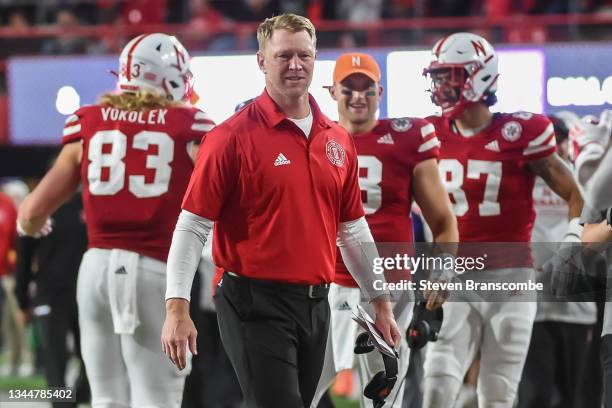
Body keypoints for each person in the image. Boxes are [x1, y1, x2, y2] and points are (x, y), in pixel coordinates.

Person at [161, 13, 401, 408]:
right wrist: (176, 307)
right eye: (283, 56)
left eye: (304, 56)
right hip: (253, 299)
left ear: (315, 58)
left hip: (315, 302)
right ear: (261, 61)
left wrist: (381, 302)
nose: (295, 65)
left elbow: (353, 230)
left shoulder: (337, 139)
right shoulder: (229, 138)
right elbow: (191, 226)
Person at [18, 33, 214, 408]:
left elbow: (30, 214)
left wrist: (32, 227)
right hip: (157, 272)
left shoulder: (89, 122)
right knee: (158, 399)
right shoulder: (191, 126)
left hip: (94, 271)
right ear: (172, 76)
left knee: (106, 398)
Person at [421, 32, 584, 407]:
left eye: (450, 75)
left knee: (497, 393)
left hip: (510, 280)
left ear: (479, 76)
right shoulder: (428, 133)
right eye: (438, 76)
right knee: (436, 386)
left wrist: (572, 243)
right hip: (455, 275)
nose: (441, 85)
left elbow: (574, 192)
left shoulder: (520, 132)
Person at [310, 52, 458, 408]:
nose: (358, 96)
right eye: (349, 87)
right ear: (332, 91)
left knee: (383, 400)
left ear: (380, 91)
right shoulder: (312, 138)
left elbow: (443, 221)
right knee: (301, 391)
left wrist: (442, 272)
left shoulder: (408, 138)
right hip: (327, 284)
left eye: (366, 88)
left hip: (390, 288)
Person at [517, 112, 596, 408]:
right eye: (548, 141)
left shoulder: (587, 181)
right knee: (533, 396)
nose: (555, 147)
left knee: (574, 396)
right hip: (532, 306)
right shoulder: (521, 178)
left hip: (575, 306)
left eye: (559, 140)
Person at [15, 191, 90, 408]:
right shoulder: (38, 207)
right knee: (55, 358)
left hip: (84, 292)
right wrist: (22, 300)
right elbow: (25, 255)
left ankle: (80, 394)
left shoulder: (86, 203)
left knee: (88, 352)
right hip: (50, 294)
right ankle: (64, 404)